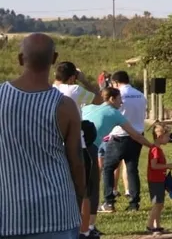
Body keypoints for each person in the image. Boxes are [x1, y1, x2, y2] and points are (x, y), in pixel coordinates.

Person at [0, 33, 84, 239]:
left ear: (20, 59)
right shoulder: (65, 106)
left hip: (9, 215)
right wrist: (78, 202)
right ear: (54, 59)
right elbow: (77, 163)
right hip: (57, 214)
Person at [82, 88, 153, 236]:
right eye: (120, 99)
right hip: (89, 149)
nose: (122, 102)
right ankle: (90, 227)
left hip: (72, 147)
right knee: (92, 189)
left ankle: (76, 225)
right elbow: (135, 135)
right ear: (112, 99)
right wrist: (152, 146)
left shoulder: (87, 107)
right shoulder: (115, 114)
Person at [53, 61, 103, 239]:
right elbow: (99, 98)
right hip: (77, 146)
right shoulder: (73, 90)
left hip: (55, 147)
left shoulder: (48, 91)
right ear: (72, 77)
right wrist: (85, 80)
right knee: (84, 191)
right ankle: (84, 230)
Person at [100, 70, 148, 212]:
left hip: (119, 135)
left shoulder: (117, 96)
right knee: (132, 169)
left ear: (115, 83)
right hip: (137, 135)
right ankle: (134, 202)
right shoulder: (140, 95)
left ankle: (109, 201)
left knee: (108, 168)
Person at [146, 123, 172, 235]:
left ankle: (157, 225)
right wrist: (167, 166)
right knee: (157, 204)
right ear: (159, 137)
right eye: (167, 136)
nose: (169, 138)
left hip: (160, 179)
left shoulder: (158, 149)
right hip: (155, 180)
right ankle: (150, 225)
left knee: (160, 204)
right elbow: (154, 165)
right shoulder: (155, 150)